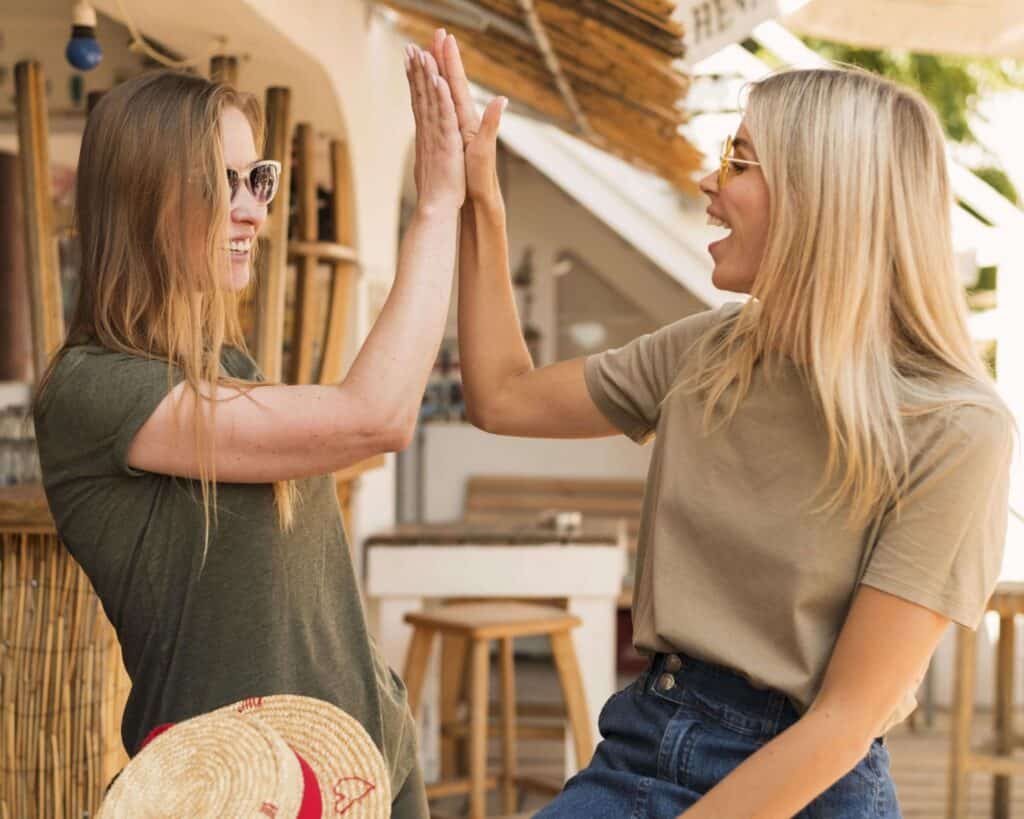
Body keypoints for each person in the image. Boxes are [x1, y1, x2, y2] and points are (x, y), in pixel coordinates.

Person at [430, 30, 1014, 818]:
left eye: (740, 161)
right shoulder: (711, 349)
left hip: (805, 783)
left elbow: (845, 720)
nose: (709, 181)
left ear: (822, 195)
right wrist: (481, 201)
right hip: (642, 741)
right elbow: (502, 396)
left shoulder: (957, 428)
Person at [33, 37, 463, 818]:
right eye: (219, 181)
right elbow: (377, 415)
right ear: (140, 196)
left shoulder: (227, 364)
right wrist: (436, 206)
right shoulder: (93, 391)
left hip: (361, 769)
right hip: (236, 798)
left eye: (257, 178)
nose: (252, 207)